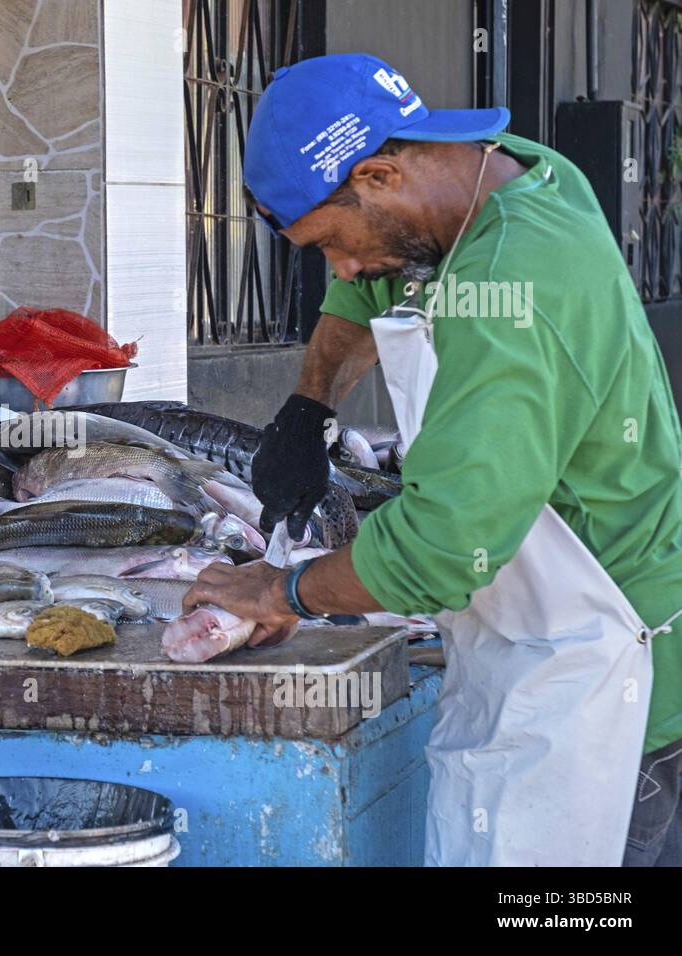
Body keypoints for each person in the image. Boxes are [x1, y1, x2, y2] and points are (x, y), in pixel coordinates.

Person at [181, 53, 682, 866]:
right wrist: (309, 407)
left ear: (378, 174)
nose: (337, 270)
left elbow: (443, 547)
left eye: (331, 243)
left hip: (604, 680)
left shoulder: (514, 291)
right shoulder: (500, 175)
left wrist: (279, 591)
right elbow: (369, 288)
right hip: (531, 629)